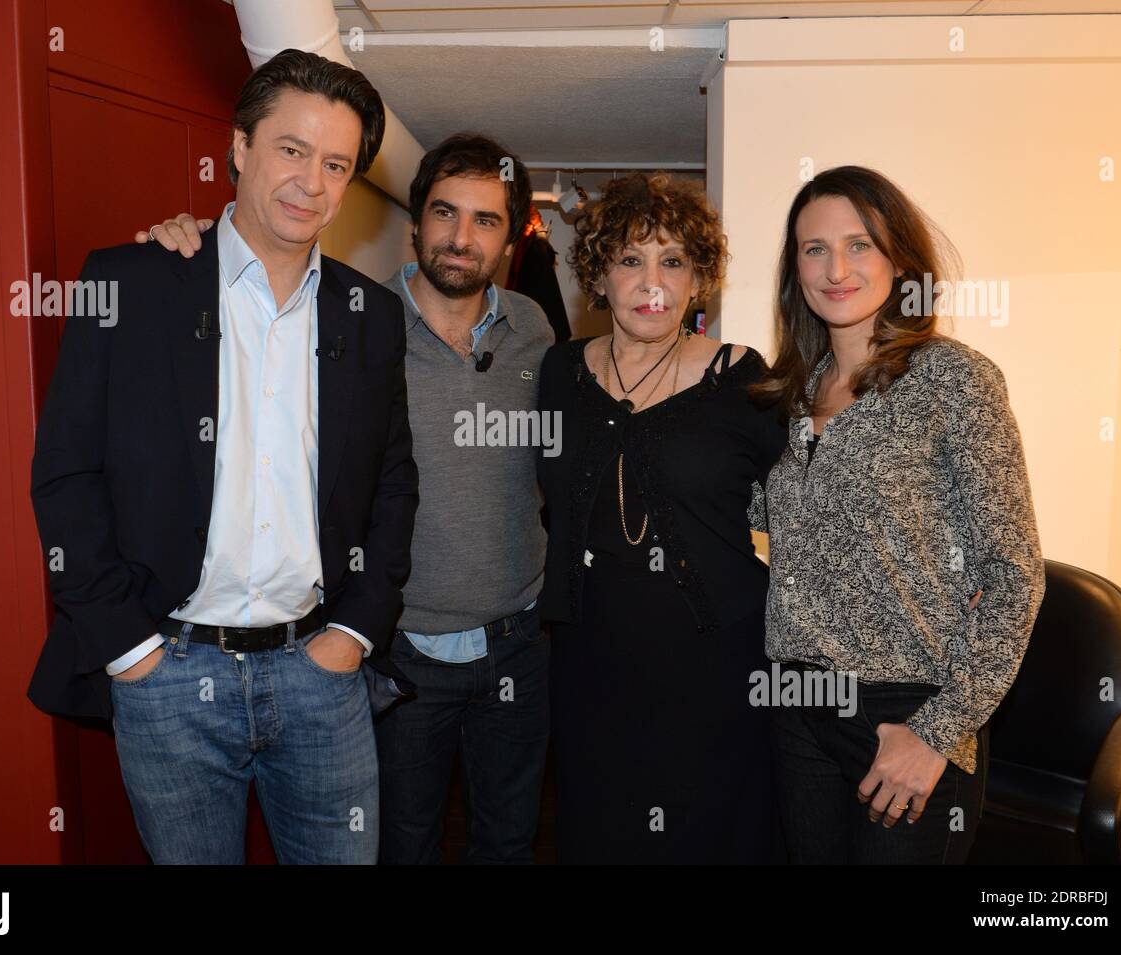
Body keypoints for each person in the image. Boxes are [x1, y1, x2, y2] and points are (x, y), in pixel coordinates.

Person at [27, 49, 419, 864]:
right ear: (239, 147)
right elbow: (66, 475)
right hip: (168, 674)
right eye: (291, 148)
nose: (311, 181)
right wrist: (129, 650)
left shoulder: (370, 314)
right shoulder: (131, 285)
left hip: (322, 675)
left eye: (336, 163)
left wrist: (355, 629)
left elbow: (392, 482)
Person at [140, 134, 555, 863]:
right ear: (416, 220)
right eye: (444, 213)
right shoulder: (357, 319)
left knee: (510, 841)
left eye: (486, 220)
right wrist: (193, 239)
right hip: (394, 651)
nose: (461, 238)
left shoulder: (536, 332)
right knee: (400, 842)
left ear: (509, 237)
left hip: (519, 646)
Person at [751, 165, 1045, 864]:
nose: (836, 268)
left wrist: (939, 730)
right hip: (797, 707)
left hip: (907, 713)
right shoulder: (791, 392)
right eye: (814, 248)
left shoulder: (954, 380)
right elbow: (758, 521)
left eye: (860, 245)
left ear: (899, 258)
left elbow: (1014, 575)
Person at [536, 172, 789, 863]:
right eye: (630, 259)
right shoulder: (559, 374)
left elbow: (814, 510)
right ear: (599, 276)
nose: (652, 282)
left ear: (698, 278)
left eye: (672, 260)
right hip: (592, 665)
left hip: (716, 668)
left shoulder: (743, 378)